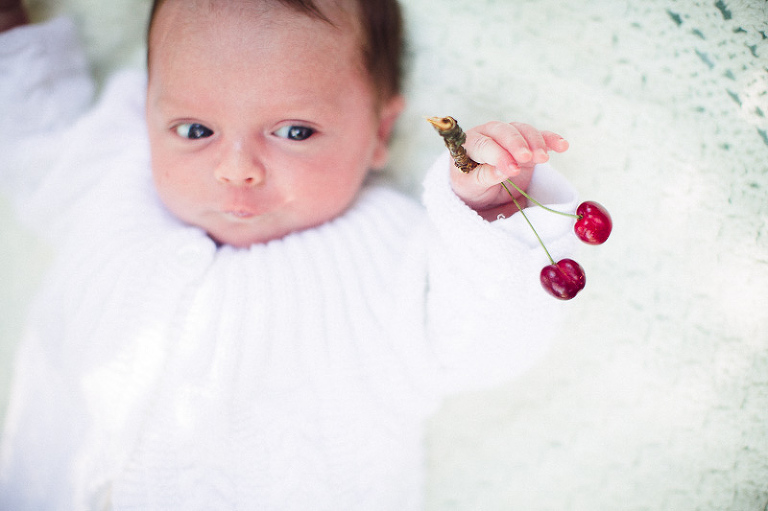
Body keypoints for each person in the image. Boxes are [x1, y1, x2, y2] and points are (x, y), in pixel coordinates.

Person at [0, 0, 578, 509]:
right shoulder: (110, 179)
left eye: (295, 132)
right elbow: (35, 144)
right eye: (195, 129)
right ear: (147, 109)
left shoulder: (392, 254)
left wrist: (488, 205)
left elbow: (488, 340)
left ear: (380, 133)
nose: (236, 169)